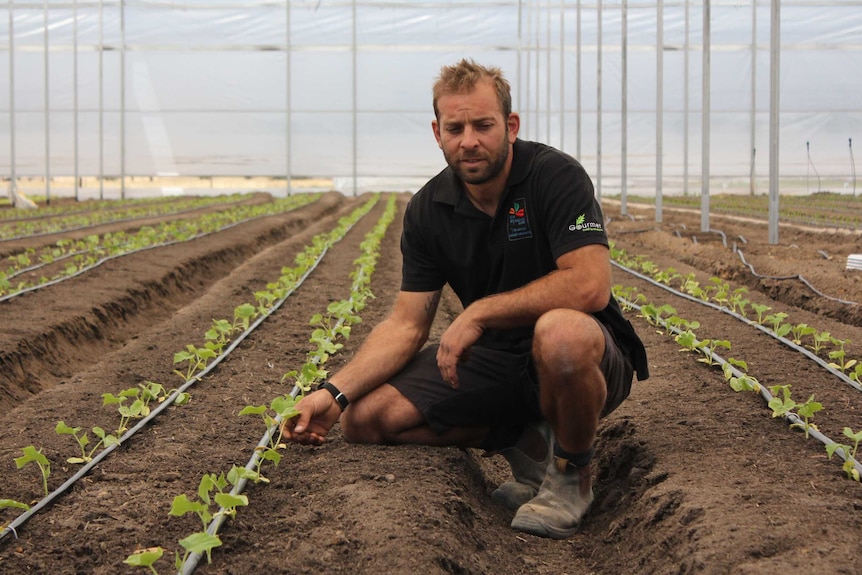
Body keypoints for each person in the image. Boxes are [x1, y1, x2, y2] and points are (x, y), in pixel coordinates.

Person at [283, 58, 649, 539]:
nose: (469, 140)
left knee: (559, 333)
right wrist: (334, 392)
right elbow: (407, 324)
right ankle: (528, 445)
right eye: (455, 128)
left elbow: (588, 284)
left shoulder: (554, 177)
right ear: (437, 132)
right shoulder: (428, 210)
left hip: (586, 358)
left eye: (483, 125)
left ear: (511, 126)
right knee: (368, 419)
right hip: (499, 361)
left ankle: (570, 473)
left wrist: (479, 311)